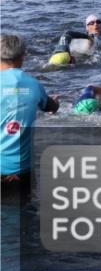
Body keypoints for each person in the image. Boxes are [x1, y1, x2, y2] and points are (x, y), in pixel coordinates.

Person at [1, 34, 59, 192]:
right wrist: (55, 102)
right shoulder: (33, 84)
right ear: (23, 57)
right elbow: (51, 107)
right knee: (24, 205)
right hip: (21, 171)